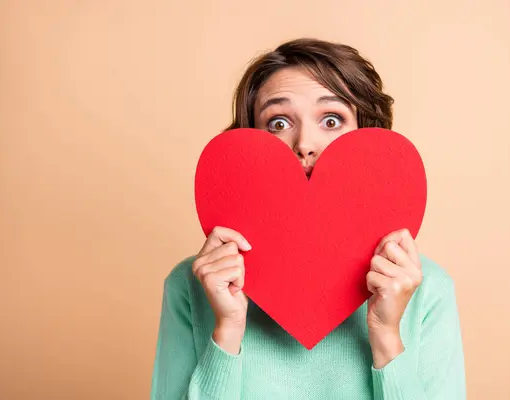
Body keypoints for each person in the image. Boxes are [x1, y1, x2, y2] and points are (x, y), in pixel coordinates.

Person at [150, 38, 466, 400]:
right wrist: (228, 330)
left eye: (331, 120)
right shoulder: (193, 286)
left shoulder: (427, 290)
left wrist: (387, 336)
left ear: (368, 137)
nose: (304, 143)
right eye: (278, 122)